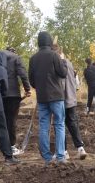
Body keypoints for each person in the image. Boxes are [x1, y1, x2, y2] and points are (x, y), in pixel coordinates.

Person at [28, 31, 68, 164]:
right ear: (50, 42)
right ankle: (60, 156)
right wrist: (63, 60)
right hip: (56, 96)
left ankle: (47, 158)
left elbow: (31, 81)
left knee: (44, 126)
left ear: (39, 43)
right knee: (59, 124)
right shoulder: (54, 56)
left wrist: (40, 86)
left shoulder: (33, 59)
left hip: (42, 97)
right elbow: (63, 73)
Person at [56, 45, 87, 159]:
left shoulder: (58, 64)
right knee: (73, 123)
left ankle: (64, 151)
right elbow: (76, 82)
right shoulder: (69, 63)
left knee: (60, 125)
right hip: (71, 99)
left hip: (61, 99)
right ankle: (80, 148)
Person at [1, 47, 32, 157]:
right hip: (13, 94)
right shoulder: (16, 58)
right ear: (14, 52)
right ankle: (12, 147)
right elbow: (23, 74)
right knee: (11, 121)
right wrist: (27, 89)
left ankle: (4, 147)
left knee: (2, 121)